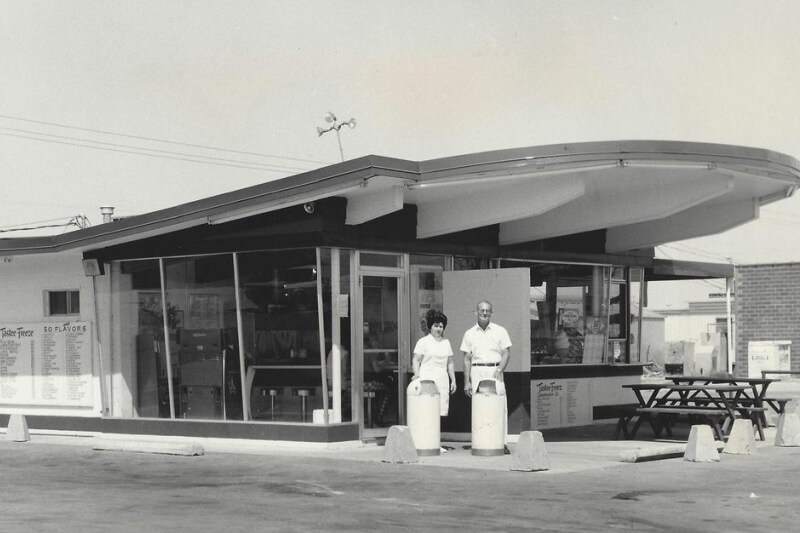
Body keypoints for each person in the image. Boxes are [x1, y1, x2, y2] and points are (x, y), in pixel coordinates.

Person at [460, 300, 512, 453]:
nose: (484, 313)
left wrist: (500, 369)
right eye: (481, 310)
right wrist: (466, 382)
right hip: (477, 371)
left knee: (500, 406)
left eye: (487, 310)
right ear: (475, 312)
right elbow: (466, 359)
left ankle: (502, 443)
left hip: (495, 370)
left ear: (491, 313)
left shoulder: (500, 331)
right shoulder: (469, 334)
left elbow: (506, 353)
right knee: (479, 407)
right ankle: (479, 441)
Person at [411, 309, 457, 416]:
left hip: (442, 378)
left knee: (440, 409)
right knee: (427, 408)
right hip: (427, 377)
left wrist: (453, 380)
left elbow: (450, 363)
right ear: (430, 326)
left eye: (441, 326)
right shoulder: (423, 342)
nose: (438, 329)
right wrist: (416, 375)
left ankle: (437, 432)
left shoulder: (446, 343)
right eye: (436, 326)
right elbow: (416, 359)